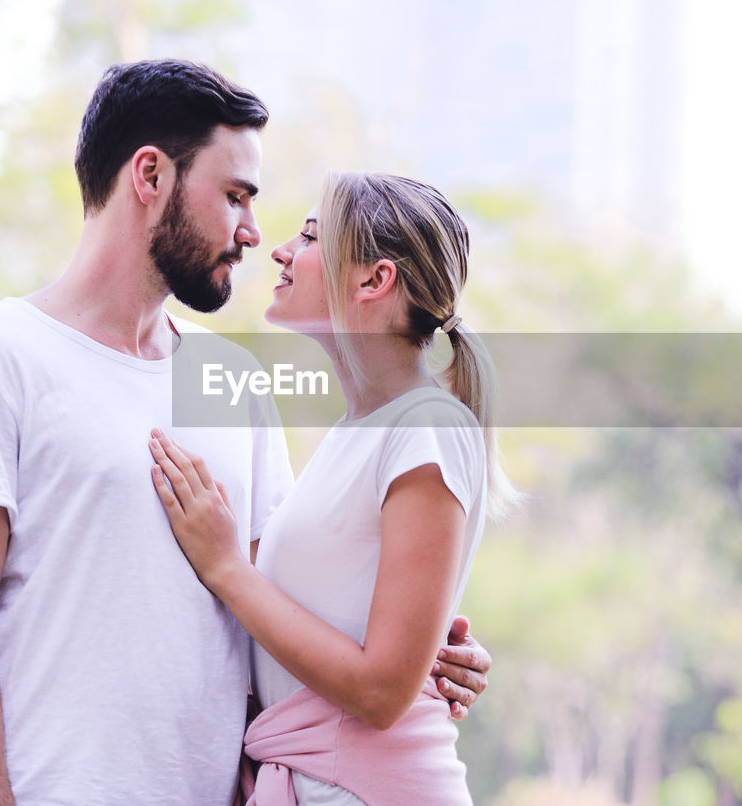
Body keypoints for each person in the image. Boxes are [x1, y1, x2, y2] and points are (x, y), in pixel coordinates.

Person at [0, 60, 490, 806]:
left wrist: (426, 654)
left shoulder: (233, 380)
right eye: (235, 196)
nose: (254, 232)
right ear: (150, 175)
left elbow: (275, 606)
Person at [150, 171, 512, 804]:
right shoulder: (359, 431)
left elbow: (380, 693)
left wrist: (227, 567)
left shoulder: (426, 426)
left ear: (375, 280)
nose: (282, 250)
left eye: (311, 236)